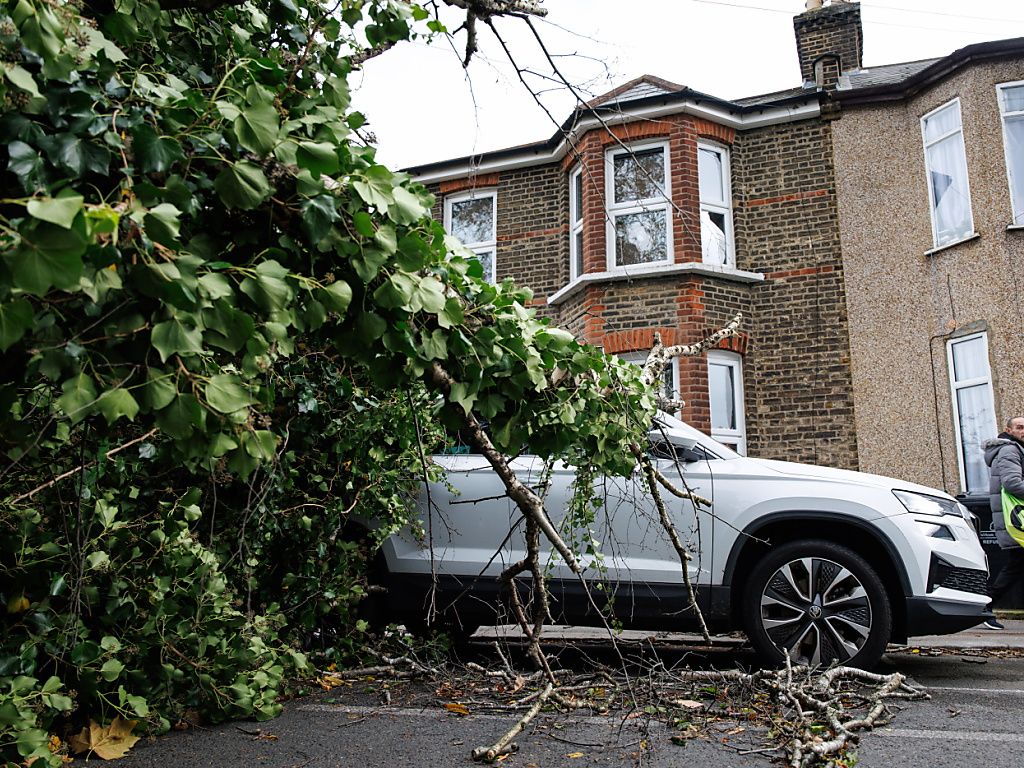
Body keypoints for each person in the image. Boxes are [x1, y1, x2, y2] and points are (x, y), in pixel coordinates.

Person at [982, 416, 1024, 629]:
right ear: (1008, 430)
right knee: (1015, 565)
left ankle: (985, 605)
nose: (1023, 430)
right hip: (1017, 519)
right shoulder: (1010, 450)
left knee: (1016, 565)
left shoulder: (1017, 450)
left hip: (1015, 519)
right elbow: (1013, 483)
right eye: (1019, 427)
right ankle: (985, 605)